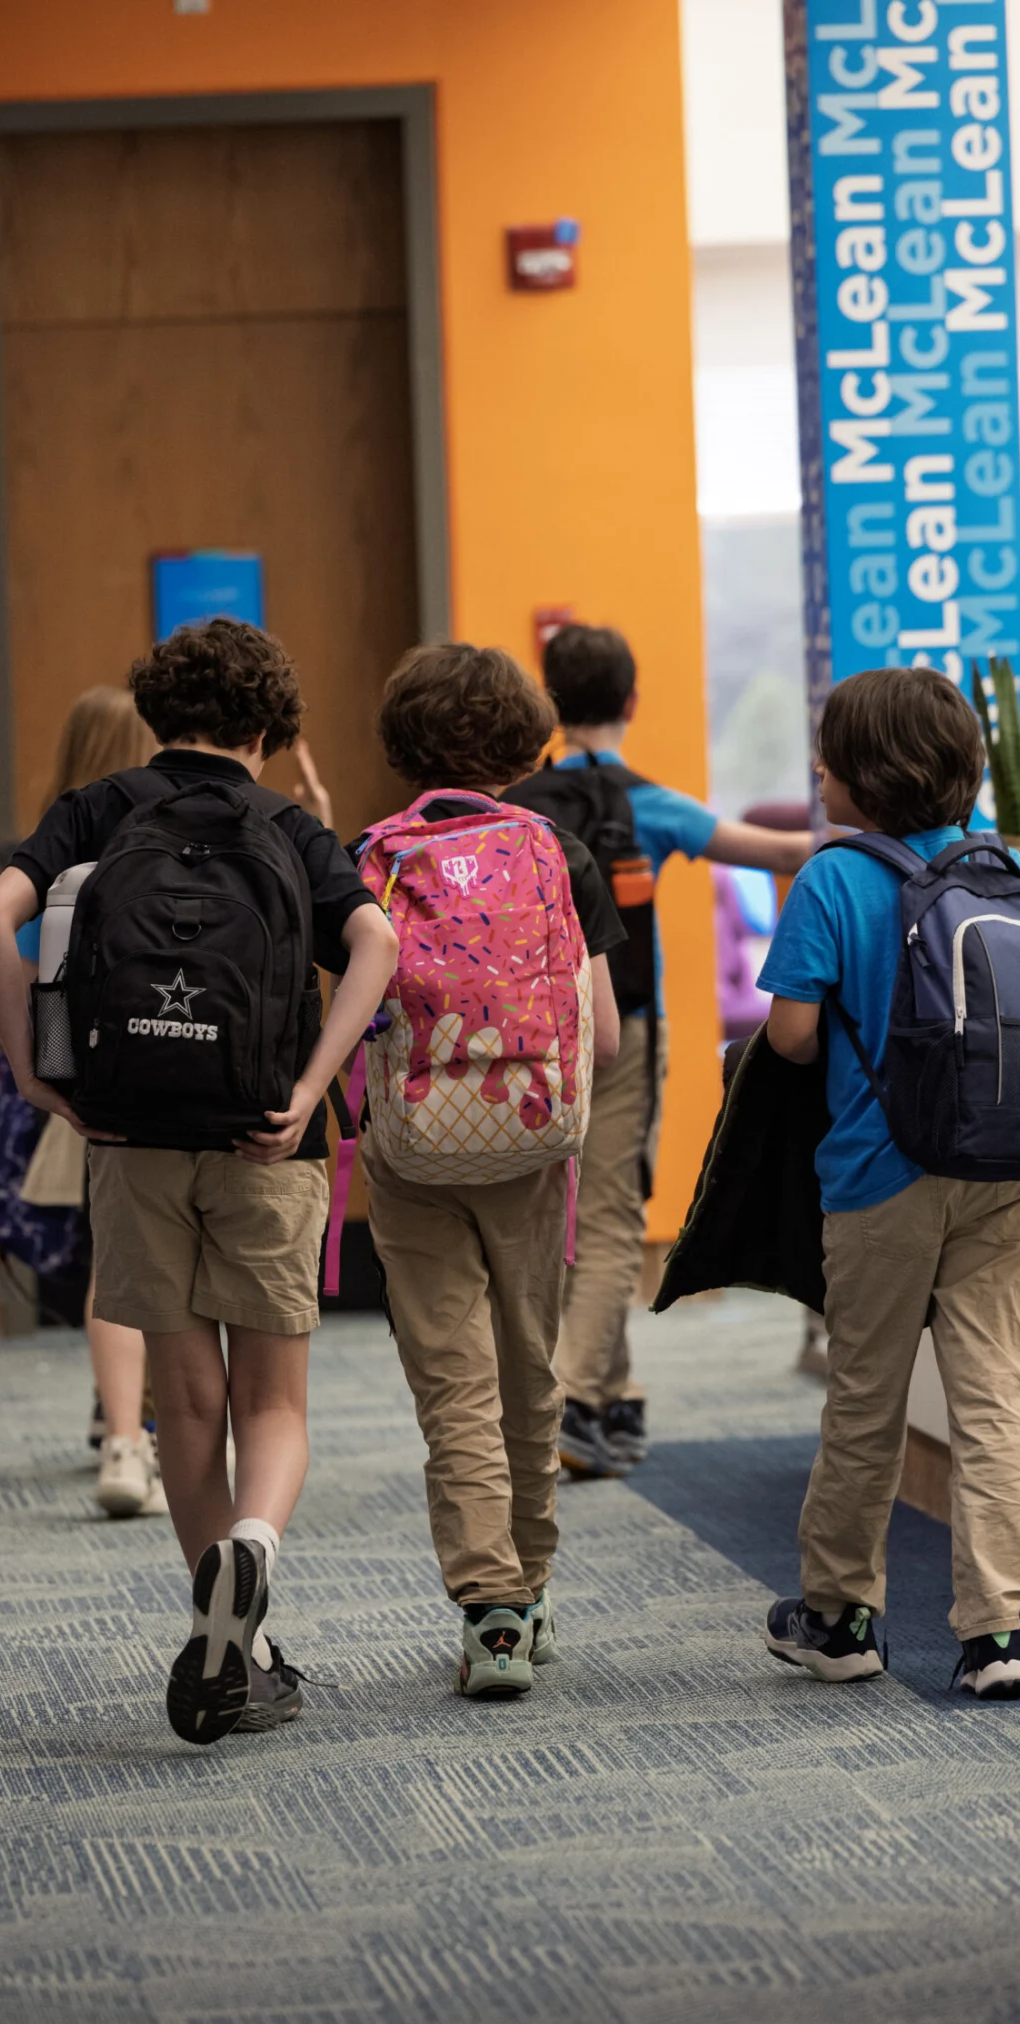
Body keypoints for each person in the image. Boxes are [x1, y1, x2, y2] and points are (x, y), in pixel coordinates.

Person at [0, 619, 398, 1742]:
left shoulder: (100, 809)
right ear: (264, 729)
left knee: (188, 1403)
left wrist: (30, 1064)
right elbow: (376, 944)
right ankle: (254, 1557)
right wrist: (311, 1084)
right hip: (266, 1139)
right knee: (273, 1401)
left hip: (131, 1138)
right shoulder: (287, 824)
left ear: (157, 715)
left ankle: (236, 1640)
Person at [758, 665, 1020, 1703]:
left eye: (831, 752)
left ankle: (838, 1617)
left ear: (864, 774)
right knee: (991, 1402)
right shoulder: (1003, 862)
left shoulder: (833, 880)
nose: (821, 769)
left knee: (866, 1401)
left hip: (882, 1174)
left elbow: (791, 1038)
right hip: (1009, 1171)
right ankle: (996, 1634)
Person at [359, 643, 624, 1700]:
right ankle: (537, 1578)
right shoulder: (559, 850)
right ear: (524, 741)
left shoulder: (370, 859)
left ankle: (491, 1611)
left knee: (450, 1379)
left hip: (414, 1150)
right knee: (528, 1363)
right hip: (531, 1138)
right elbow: (598, 1030)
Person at [529, 625, 818, 1480]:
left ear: (550, 704)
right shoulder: (647, 803)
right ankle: (573, 1398)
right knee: (614, 1212)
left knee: (558, 1210)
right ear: (631, 703)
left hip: (526, 1036)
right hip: (625, 1026)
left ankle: (614, 1396)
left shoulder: (519, 801)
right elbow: (781, 852)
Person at [8, 685, 168, 1518]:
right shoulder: (175, 841)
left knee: (112, 1258)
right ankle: (151, 1421)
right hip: (182, 1070)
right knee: (177, 1259)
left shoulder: (46, 853)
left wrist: (35, 1067)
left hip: (86, 1072)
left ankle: (121, 1432)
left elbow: (20, 953)